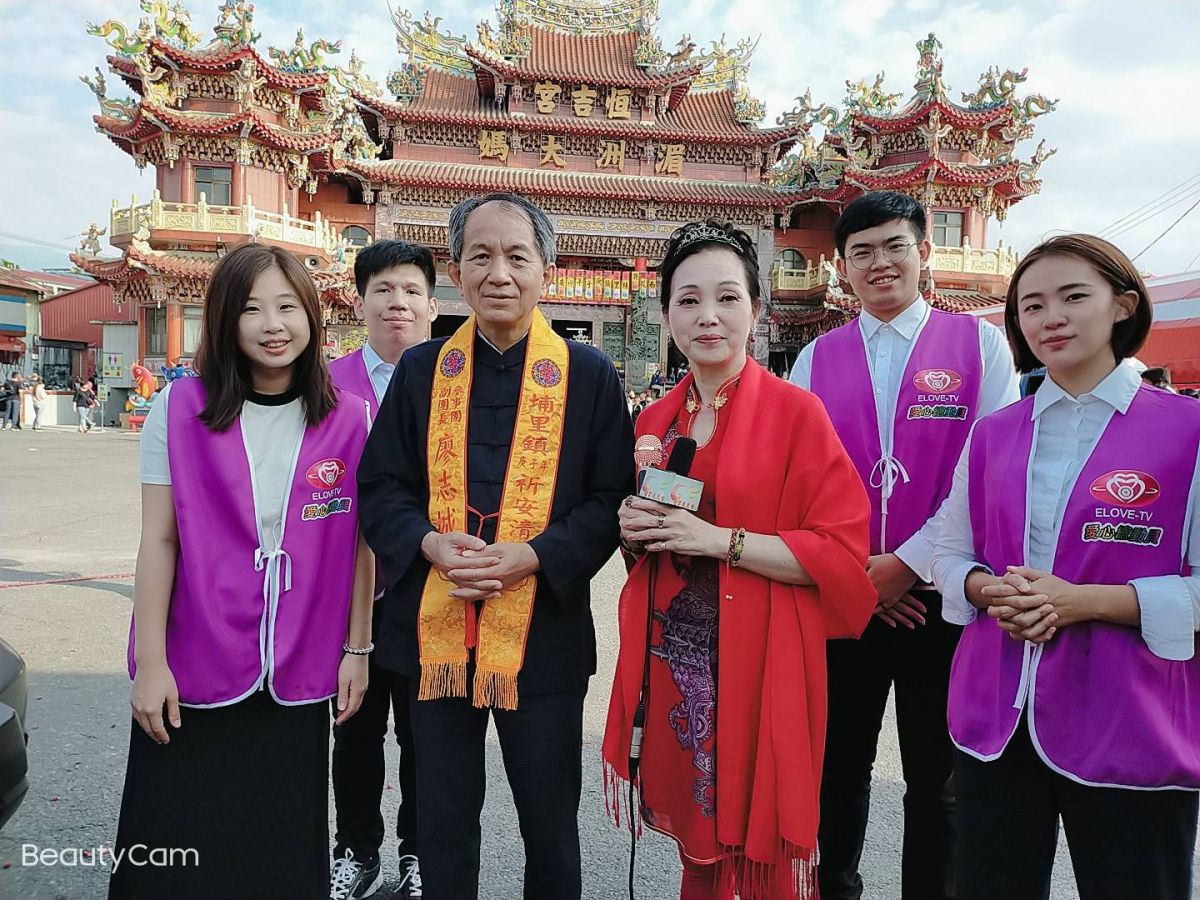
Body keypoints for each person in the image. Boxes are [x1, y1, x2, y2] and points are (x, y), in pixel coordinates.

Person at [356, 192, 633, 900]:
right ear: (457, 269)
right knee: (442, 822)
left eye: (517, 255)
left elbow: (608, 501)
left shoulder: (589, 375)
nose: (499, 272)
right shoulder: (422, 371)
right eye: (480, 255)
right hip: (436, 631)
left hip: (544, 635)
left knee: (550, 824)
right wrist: (427, 543)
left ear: (547, 268)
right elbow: (380, 486)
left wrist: (535, 556)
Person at [603, 220, 876, 900]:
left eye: (727, 298)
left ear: (756, 310)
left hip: (760, 661)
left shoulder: (796, 414)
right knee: (699, 843)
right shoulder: (656, 421)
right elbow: (652, 544)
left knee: (761, 861)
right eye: (688, 300)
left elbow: (841, 554)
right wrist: (633, 530)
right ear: (666, 314)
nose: (708, 316)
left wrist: (722, 541)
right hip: (678, 661)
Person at [932, 234, 1200, 900]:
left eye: (1074, 297)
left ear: (1123, 306)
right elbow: (949, 552)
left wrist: (1084, 602)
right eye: (1031, 305)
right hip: (997, 721)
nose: (1051, 316)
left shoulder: (1188, 432)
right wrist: (987, 589)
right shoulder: (995, 431)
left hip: (1131, 724)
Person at [109, 243, 375, 899]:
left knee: (278, 848)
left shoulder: (350, 419)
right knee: (173, 850)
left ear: (313, 317)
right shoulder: (178, 411)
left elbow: (362, 546)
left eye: (287, 306)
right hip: (192, 660)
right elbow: (159, 540)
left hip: (298, 666)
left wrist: (357, 650)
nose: (272, 324)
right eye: (252, 308)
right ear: (226, 319)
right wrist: (152, 665)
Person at [790, 191, 1019, 900]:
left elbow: (986, 472)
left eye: (894, 246)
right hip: (843, 602)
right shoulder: (813, 360)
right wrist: (863, 580)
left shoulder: (980, 347)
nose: (879, 263)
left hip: (944, 602)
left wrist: (907, 566)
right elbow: (800, 483)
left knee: (938, 782)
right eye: (862, 252)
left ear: (924, 253)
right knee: (837, 772)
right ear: (843, 267)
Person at [327, 239, 439, 900]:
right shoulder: (326, 384)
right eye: (383, 291)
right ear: (361, 301)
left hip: (428, 593)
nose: (397, 303)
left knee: (428, 737)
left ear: (431, 304)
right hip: (345, 598)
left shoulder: (455, 381)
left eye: (410, 291)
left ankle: (419, 851)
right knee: (354, 732)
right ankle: (356, 850)